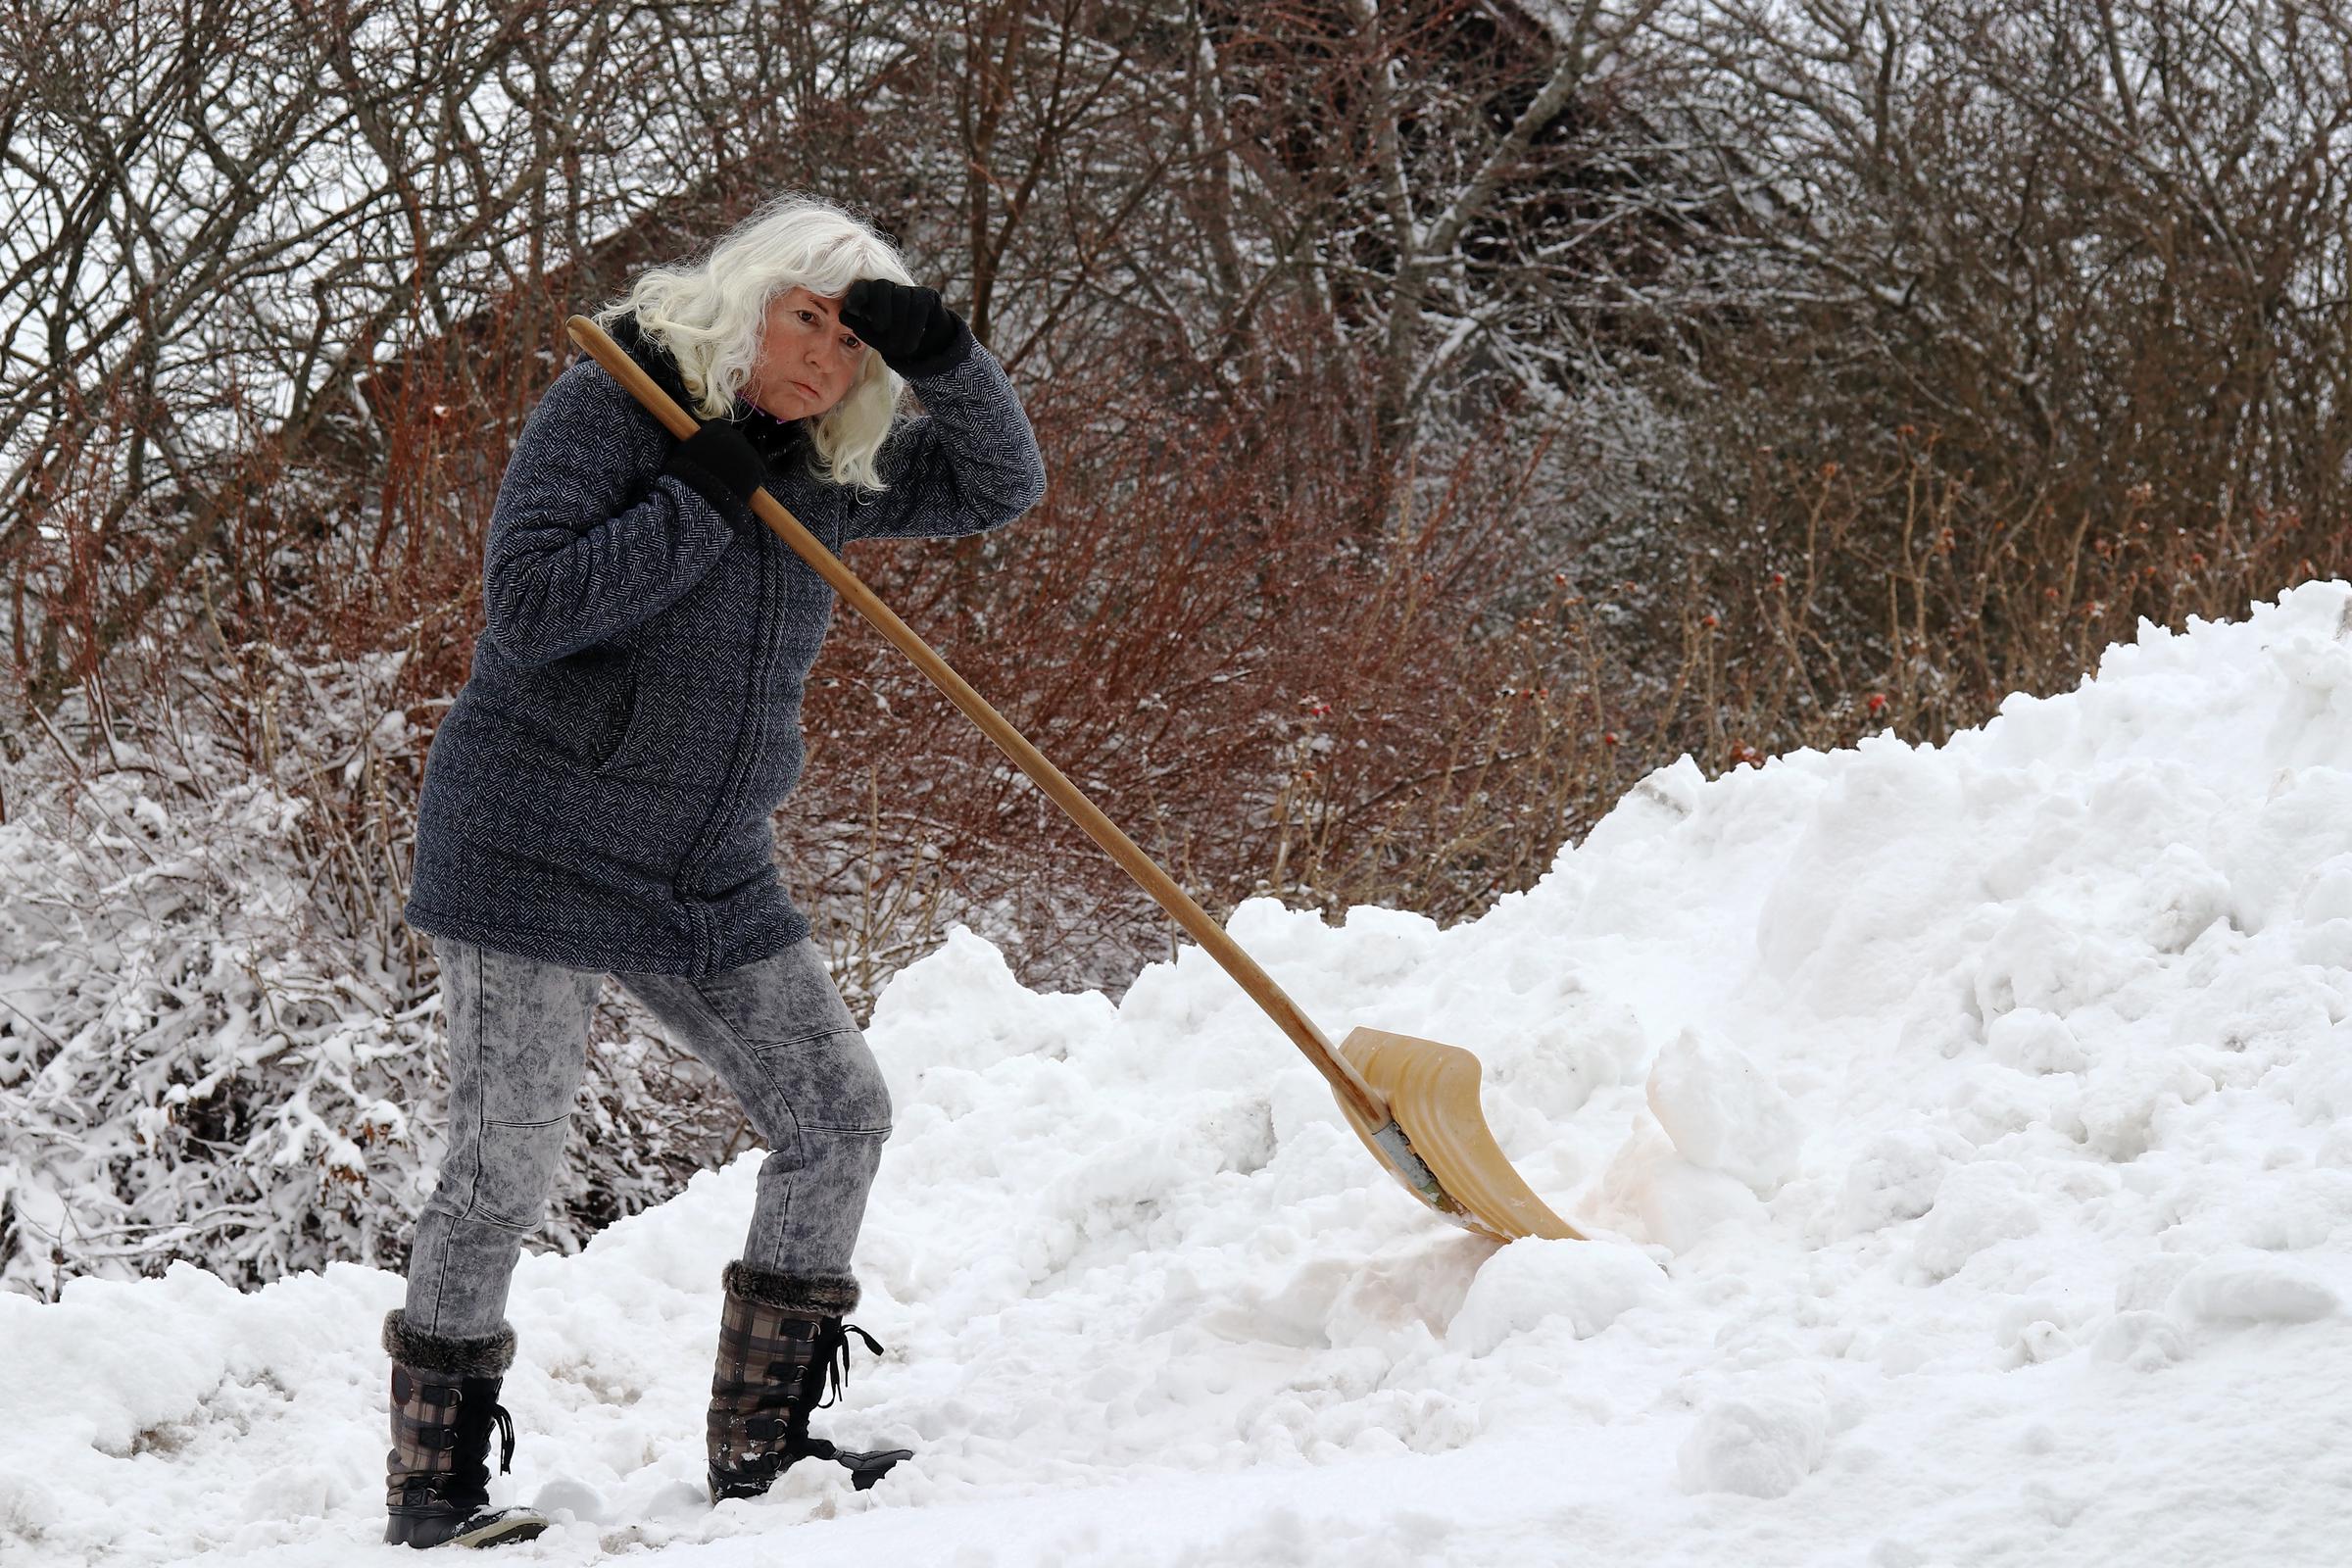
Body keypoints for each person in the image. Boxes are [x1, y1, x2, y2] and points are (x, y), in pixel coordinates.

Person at [380, 193, 1048, 1549]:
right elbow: (535, 608)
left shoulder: (824, 467)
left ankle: (764, 1446)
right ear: (748, 299)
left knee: (839, 1113)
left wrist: (946, 359)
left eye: (852, 348)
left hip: (705, 867)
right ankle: (433, 1495)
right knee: (504, 1160)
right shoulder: (608, 408)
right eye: (809, 321)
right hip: (533, 845)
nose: (824, 362)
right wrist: (697, 495)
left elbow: (999, 485)